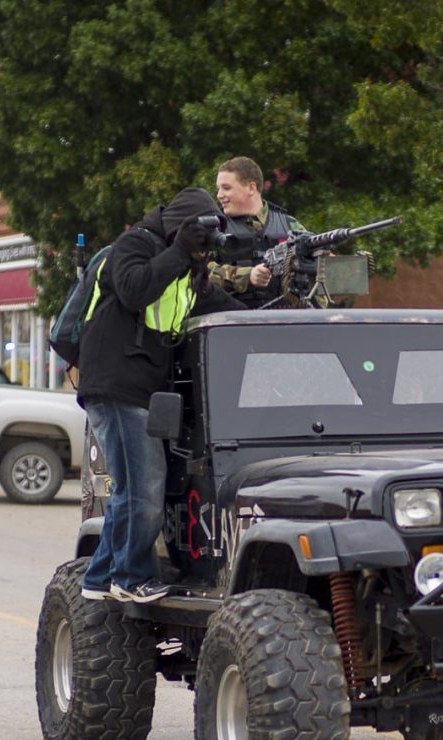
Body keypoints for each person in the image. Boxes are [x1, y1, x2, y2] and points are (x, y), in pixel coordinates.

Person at [77, 187, 246, 603]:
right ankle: (129, 578)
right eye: (200, 235)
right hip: (116, 384)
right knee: (143, 489)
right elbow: (134, 289)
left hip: (143, 390)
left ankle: (99, 577)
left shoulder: (188, 269)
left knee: (131, 490)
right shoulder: (135, 244)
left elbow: (219, 305)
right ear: (182, 227)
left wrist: (272, 316)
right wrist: (179, 253)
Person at [208, 156, 308, 308]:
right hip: (230, 323)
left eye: (226, 188)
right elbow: (196, 274)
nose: (219, 195)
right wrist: (246, 276)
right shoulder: (214, 227)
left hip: (283, 321)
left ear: (251, 188)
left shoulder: (290, 226)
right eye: (219, 188)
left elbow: (316, 271)